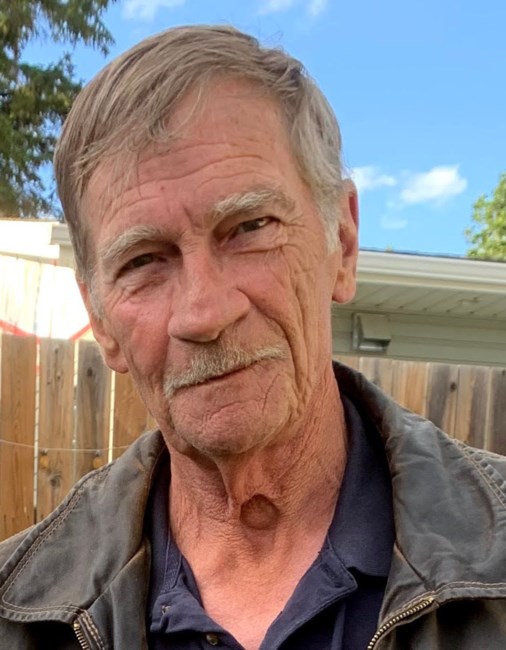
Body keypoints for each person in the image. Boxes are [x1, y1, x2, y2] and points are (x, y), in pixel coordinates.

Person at [1, 25, 506, 650]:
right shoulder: (16, 615)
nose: (204, 313)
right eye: (143, 261)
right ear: (100, 320)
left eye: (249, 227)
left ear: (342, 243)